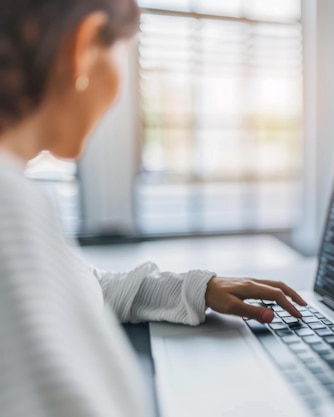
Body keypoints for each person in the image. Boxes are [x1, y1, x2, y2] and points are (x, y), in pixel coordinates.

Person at [0, 1, 306, 416]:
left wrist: (196, 288)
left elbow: (85, 287)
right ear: (84, 46)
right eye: (125, 56)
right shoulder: (11, 204)